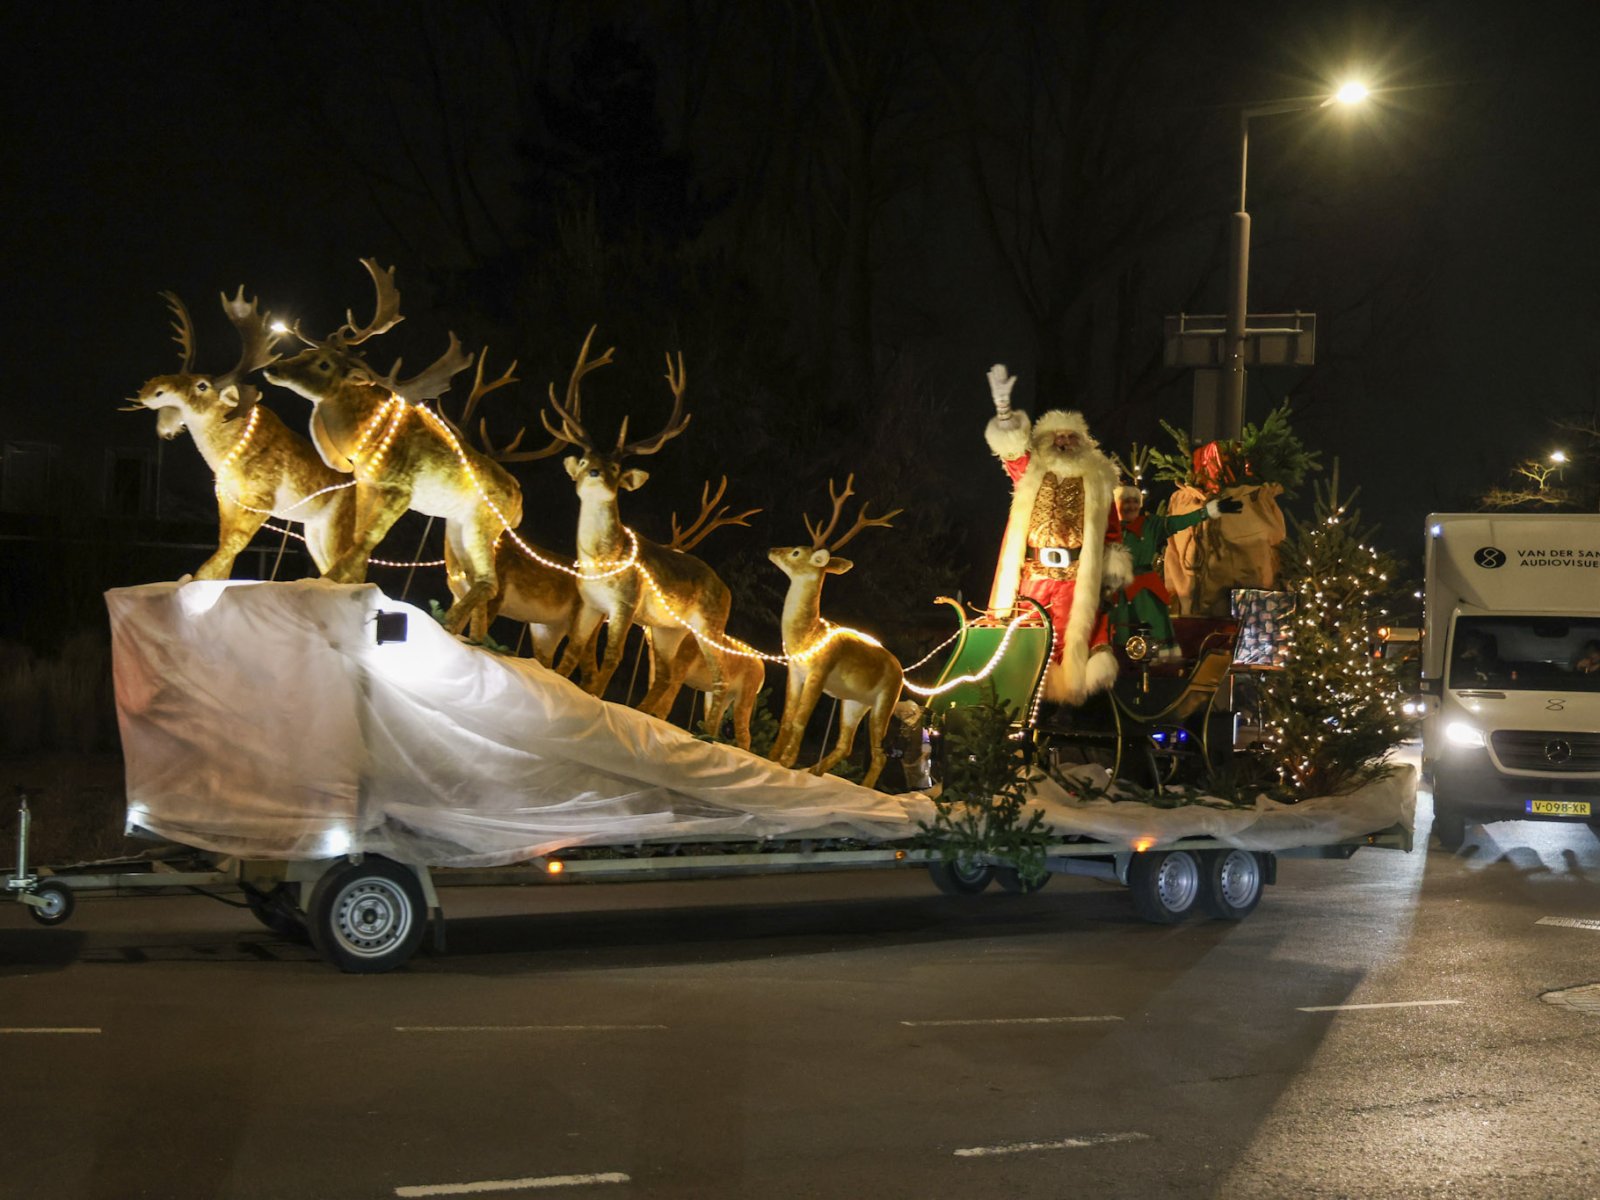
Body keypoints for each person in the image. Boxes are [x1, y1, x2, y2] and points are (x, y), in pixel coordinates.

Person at [984, 363, 1131, 704]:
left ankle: (1063, 706)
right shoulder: (1032, 471)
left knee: (1070, 641)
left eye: (1070, 437)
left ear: (1083, 442)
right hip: (1034, 576)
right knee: (1028, 637)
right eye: (1057, 437)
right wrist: (1004, 412)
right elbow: (1011, 452)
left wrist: (1111, 575)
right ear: (1045, 440)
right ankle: (1024, 701)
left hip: (1075, 579)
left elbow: (1111, 532)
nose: (1063, 442)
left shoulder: (1097, 480)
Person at [1109, 484, 1241, 656]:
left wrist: (1209, 511)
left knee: (1153, 628)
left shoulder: (1150, 525)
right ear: (1116, 504)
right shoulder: (1106, 529)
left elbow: (1179, 522)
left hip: (1145, 589)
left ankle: (1158, 662)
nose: (1131, 506)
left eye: (1135, 501)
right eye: (1126, 502)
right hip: (1116, 589)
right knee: (1120, 632)